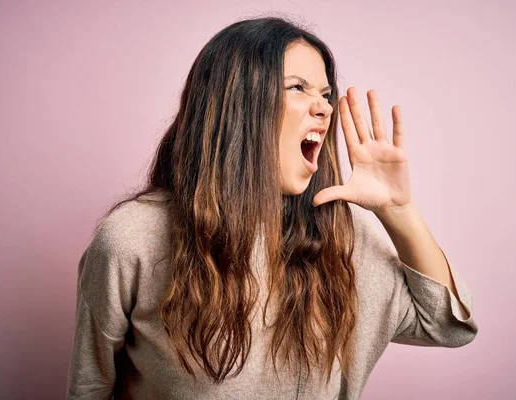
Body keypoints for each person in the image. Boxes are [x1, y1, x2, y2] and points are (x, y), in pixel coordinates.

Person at [66, 16, 478, 400]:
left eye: (325, 93)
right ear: (237, 104)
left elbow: (448, 326)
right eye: (298, 87)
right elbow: (91, 386)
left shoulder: (342, 234)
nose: (324, 108)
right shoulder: (134, 237)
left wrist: (398, 210)